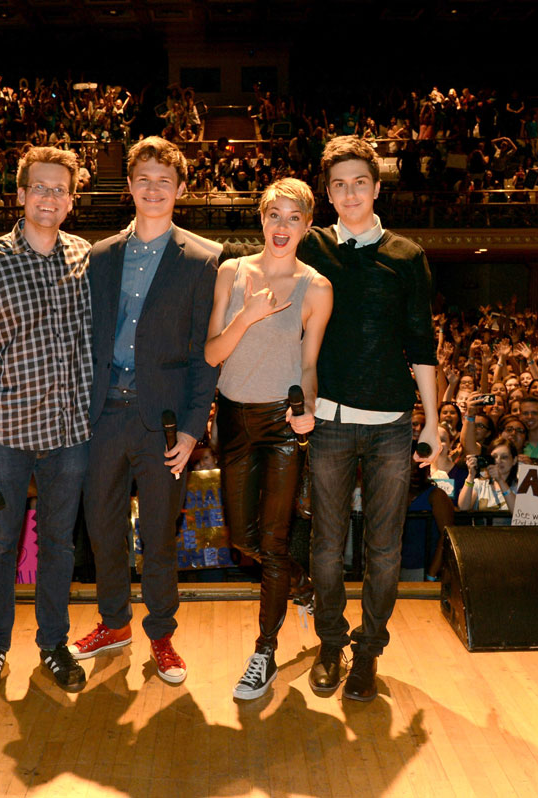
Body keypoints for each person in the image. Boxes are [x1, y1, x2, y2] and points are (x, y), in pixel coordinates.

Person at [293, 136, 438, 702]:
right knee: (326, 547)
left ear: (377, 188)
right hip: (328, 421)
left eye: (360, 182)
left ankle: (368, 652)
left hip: (392, 424)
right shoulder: (311, 248)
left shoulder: (407, 256)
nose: (349, 193)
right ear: (326, 193)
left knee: (384, 549)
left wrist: (432, 422)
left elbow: (421, 342)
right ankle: (331, 643)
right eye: (338, 184)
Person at [71, 136, 218, 686]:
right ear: (129, 186)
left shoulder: (204, 259)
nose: (153, 189)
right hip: (102, 414)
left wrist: (194, 427)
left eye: (164, 180)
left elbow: (206, 355)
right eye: (143, 179)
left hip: (164, 423)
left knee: (157, 535)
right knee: (103, 529)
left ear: (181, 189)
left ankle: (161, 634)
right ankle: (114, 623)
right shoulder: (99, 256)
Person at [0, 145, 94, 694]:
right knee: (1, 544)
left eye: (60, 189)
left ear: (71, 200)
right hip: (7, 434)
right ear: (20, 194)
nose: (49, 198)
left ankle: (54, 644)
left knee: (60, 543)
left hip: (69, 433)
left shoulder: (85, 256)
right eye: (40, 187)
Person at [203, 177, 332, 700]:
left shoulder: (317, 287)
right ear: (260, 220)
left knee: (274, 544)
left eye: (293, 218)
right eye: (273, 216)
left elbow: (309, 362)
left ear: (306, 224)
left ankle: (265, 650)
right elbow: (213, 354)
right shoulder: (232, 273)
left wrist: (310, 409)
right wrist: (248, 315)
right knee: (241, 539)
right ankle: (301, 585)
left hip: (282, 423)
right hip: (232, 420)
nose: (282, 227)